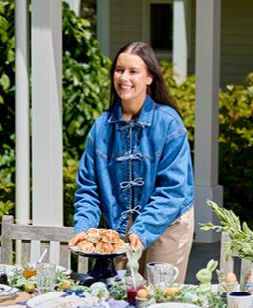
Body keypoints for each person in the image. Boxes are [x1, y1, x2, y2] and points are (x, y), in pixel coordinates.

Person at [69, 41, 195, 281]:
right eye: (119, 70)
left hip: (168, 221)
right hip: (121, 221)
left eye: (133, 71)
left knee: (159, 293)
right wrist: (84, 229)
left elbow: (173, 190)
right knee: (122, 291)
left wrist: (142, 230)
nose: (124, 77)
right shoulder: (101, 127)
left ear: (150, 78)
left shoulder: (169, 124)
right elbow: (88, 189)